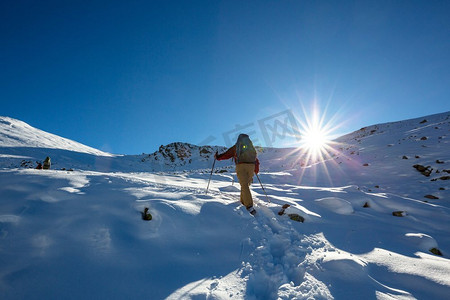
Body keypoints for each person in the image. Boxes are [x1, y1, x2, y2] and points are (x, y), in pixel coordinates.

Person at [215, 134, 260, 215]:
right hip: (251, 166)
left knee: (244, 185)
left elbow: (227, 154)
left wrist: (218, 157)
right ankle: (243, 201)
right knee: (246, 185)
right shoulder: (251, 147)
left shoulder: (237, 146)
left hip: (241, 166)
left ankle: (249, 206)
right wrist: (256, 169)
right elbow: (255, 159)